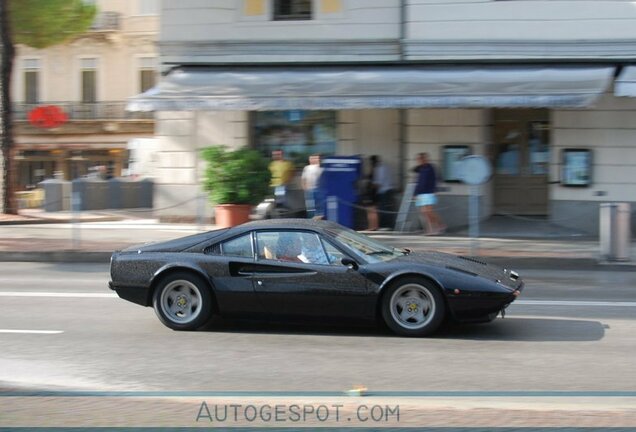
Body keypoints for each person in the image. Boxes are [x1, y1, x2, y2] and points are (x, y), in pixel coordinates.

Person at [414, 152, 446, 235]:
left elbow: (436, 179)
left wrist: (435, 190)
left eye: (421, 159)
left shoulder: (430, 168)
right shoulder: (420, 169)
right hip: (421, 193)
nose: (419, 161)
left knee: (428, 211)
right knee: (424, 212)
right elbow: (418, 182)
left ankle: (439, 225)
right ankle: (431, 229)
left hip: (429, 192)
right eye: (418, 159)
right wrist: (415, 193)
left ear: (425, 159)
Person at [370, 155, 394, 229]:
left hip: (384, 191)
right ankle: (389, 225)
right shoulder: (385, 166)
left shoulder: (379, 168)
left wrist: (369, 188)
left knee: (383, 209)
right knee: (387, 208)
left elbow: (379, 183)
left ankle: (386, 226)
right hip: (388, 190)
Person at [301, 154, 323, 219]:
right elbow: (303, 179)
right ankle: (310, 220)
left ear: (319, 159)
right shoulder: (307, 168)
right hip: (309, 190)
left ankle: (319, 221)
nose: (313, 160)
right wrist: (304, 188)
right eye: (311, 158)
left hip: (319, 190)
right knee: (310, 207)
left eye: (315, 158)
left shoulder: (321, 168)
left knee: (319, 206)